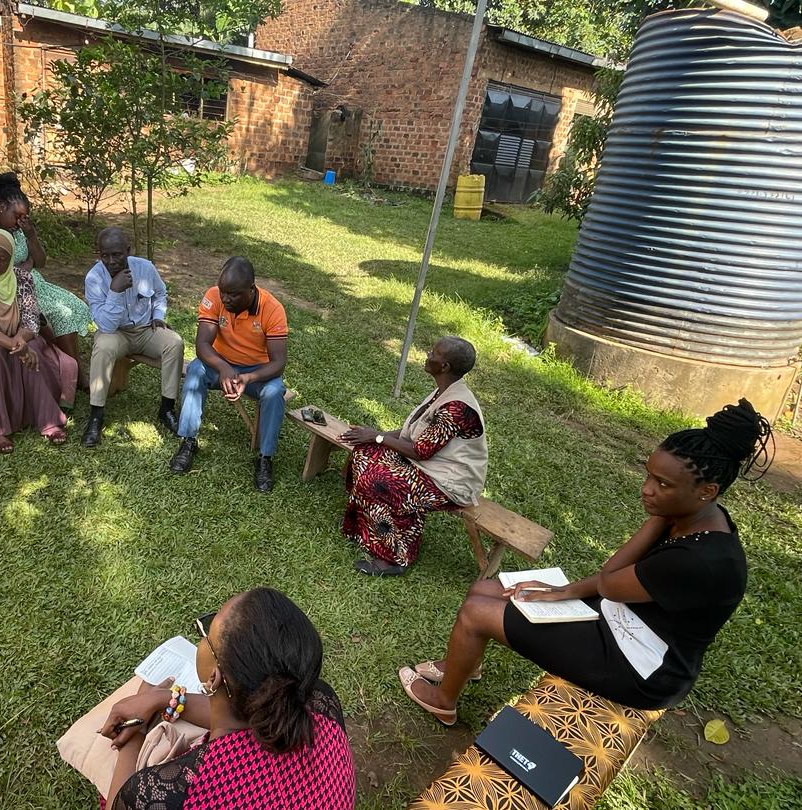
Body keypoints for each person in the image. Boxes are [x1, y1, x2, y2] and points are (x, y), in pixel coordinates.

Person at [399, 399, 774, 723]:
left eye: (663, 484)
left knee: (475, 613)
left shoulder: (701, 558)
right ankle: (464, 664)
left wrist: (656, 518)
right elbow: (614, 585)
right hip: (620, 615)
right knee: (485, 589)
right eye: (649, 475)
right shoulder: (696, 514)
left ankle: (443, 702)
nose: (647, 489)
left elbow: (611, 580)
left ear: (707, 491)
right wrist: (562, 591)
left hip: (640, 664)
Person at [100, 588, 356, 809]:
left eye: (206, 633)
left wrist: (134, 734)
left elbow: (120, 804)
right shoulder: (321, 703)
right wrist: (164, 699)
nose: (202, 637)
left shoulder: (165, 794)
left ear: (214, 678)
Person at [339, 336, 486, 577]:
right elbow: (414, 433)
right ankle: (363, 530)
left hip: (449, 482)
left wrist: (377, 436)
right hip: (430, 466)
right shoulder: (444, 390)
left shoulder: (457, 408)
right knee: (364, 454)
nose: (428, 354)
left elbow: (421, 450)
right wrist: (374, 437)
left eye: (433, 352)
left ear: (445, 366)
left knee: (377, 482)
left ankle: (395, 556)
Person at [0, 228, 77, 453]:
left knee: (34, 349)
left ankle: (49, 421)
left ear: (11, 259)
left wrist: (20, 340)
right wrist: (15, 346)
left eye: (3, 258)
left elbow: (31, 319)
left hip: (18, 335)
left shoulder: (22, 278)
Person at [170, 257, 288, 492]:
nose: (225, 299)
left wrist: (247, 378)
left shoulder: (272, 309)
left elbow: (279, 363)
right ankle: (188, 441)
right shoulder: (214, 296)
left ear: (251, 290)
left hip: (256, 372)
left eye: (233, 294)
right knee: (195, 371)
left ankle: (265, 458)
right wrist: (224, 368)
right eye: (223, 292)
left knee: (275, 391)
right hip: (220, 364)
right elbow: (203, 344)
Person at [0, 172, 92, 376]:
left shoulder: (19, 231)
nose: (20, 222)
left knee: (75, 306)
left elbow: (41, 262)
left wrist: (31, 235)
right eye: (17, 216)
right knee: (61, 313)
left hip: (35, 283)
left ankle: (71, 366)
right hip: (9, 291)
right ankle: (76, 374)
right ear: (1, 208)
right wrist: (25, 267)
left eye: (24, 217)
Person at [81, 227, 184, 447]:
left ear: (128, 250)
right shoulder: (94, 278)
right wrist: (115, 292)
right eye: (105, 255)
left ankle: (167, 409)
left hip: (146, 330)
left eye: (117, 254)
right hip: (116, 334)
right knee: (103, 347)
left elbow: (160, 292)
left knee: (174, 342)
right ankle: (96, 416)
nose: (111, 261)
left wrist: (158, 314)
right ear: (99, 254)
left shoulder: (145, 268)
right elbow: (106, 326)